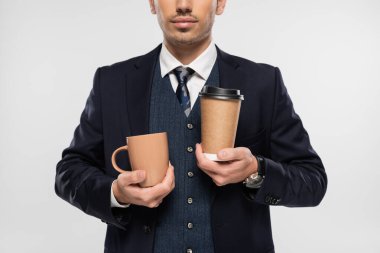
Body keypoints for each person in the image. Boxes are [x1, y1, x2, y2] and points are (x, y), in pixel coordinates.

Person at [55, 0, 327, 252]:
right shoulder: (112, 82)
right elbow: (69, 172)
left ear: (220, 3)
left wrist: (256, 170)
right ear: (152, 3)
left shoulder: (262, 82)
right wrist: (116, 193)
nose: (183, 5)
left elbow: (312, 181)